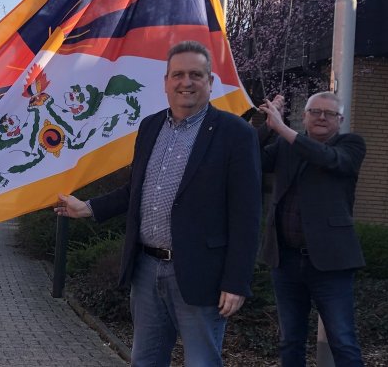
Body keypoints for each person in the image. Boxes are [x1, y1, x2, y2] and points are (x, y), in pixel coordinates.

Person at [56, 41, 262, 366]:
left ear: (210, 82)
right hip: (146, 270)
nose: (186, 82)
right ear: (166, 82)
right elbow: (135, 190)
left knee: (202, 362)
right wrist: (89, 208)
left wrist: (236, 282)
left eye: (196, 74)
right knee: (146, 361)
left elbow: (247, 216)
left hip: (200, 275)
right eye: (177, 74)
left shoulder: (235, 134)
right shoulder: (150, 127)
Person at [258, 92, 366, 366]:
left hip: (331, 263)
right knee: (290, 339)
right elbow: (250, 158)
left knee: (342, 340)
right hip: (286, 260)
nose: (321, 117)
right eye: (314, 111)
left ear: (339, 120)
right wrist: (265, 124)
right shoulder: (285, 146)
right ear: (304, 117)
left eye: (328, 113)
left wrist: (282, 129)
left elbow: (328, 158)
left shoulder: (351, 145)